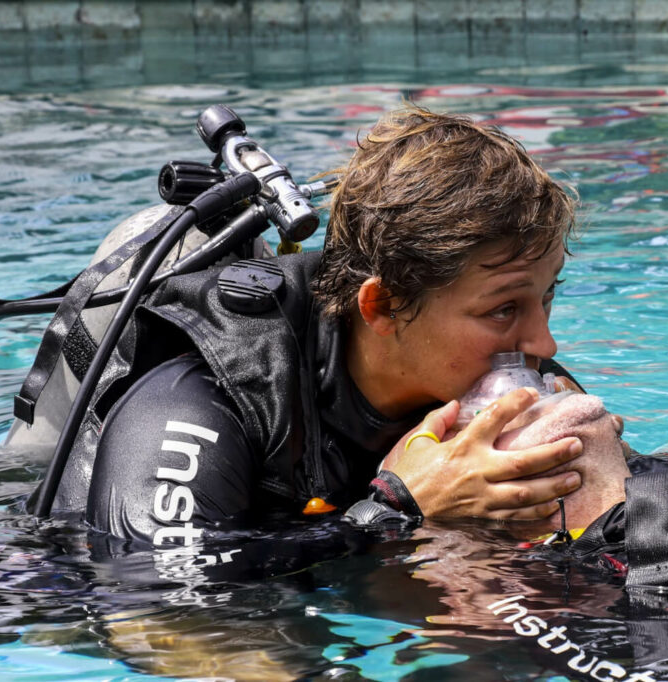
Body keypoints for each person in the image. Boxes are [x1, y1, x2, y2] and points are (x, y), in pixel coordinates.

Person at [73, 106, 605, 546]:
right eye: (503, 310)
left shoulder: (498, 377)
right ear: (383, 306)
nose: (545, 342)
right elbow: (162, 614)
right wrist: (396, 509)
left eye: (547, 294)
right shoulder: (202, 397)